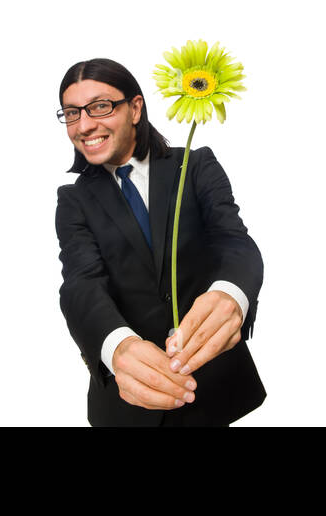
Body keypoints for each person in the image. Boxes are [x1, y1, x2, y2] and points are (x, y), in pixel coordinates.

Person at [54, 58, 265, 426]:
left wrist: (231, 293)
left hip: (216, 390)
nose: (84, 125)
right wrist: (116, 344)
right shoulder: (74, 200)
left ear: (135, 108)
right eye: (72, 113)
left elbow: (234, 242)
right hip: (129, 403)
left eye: (100, 106)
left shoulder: (195, 165)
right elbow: (81, 284)